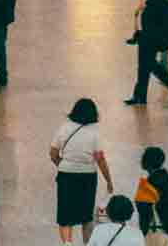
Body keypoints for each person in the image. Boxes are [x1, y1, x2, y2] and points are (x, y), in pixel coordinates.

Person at [51, 97, 114, 245]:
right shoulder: (94, 132)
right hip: (87, 176)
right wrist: (108, 180)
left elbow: (53, 153)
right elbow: (100, 159)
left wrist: (63, 165)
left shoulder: (64, 127)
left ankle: (67, 243)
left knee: (65, 213)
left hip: (66, 175)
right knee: (86, 216)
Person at [135, 146, 168, 246]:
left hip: (156, 231)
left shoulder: (151, 182)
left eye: (143, 157)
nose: (141, 160)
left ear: (148, 162)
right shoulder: (164, 175)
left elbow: (143, 210)